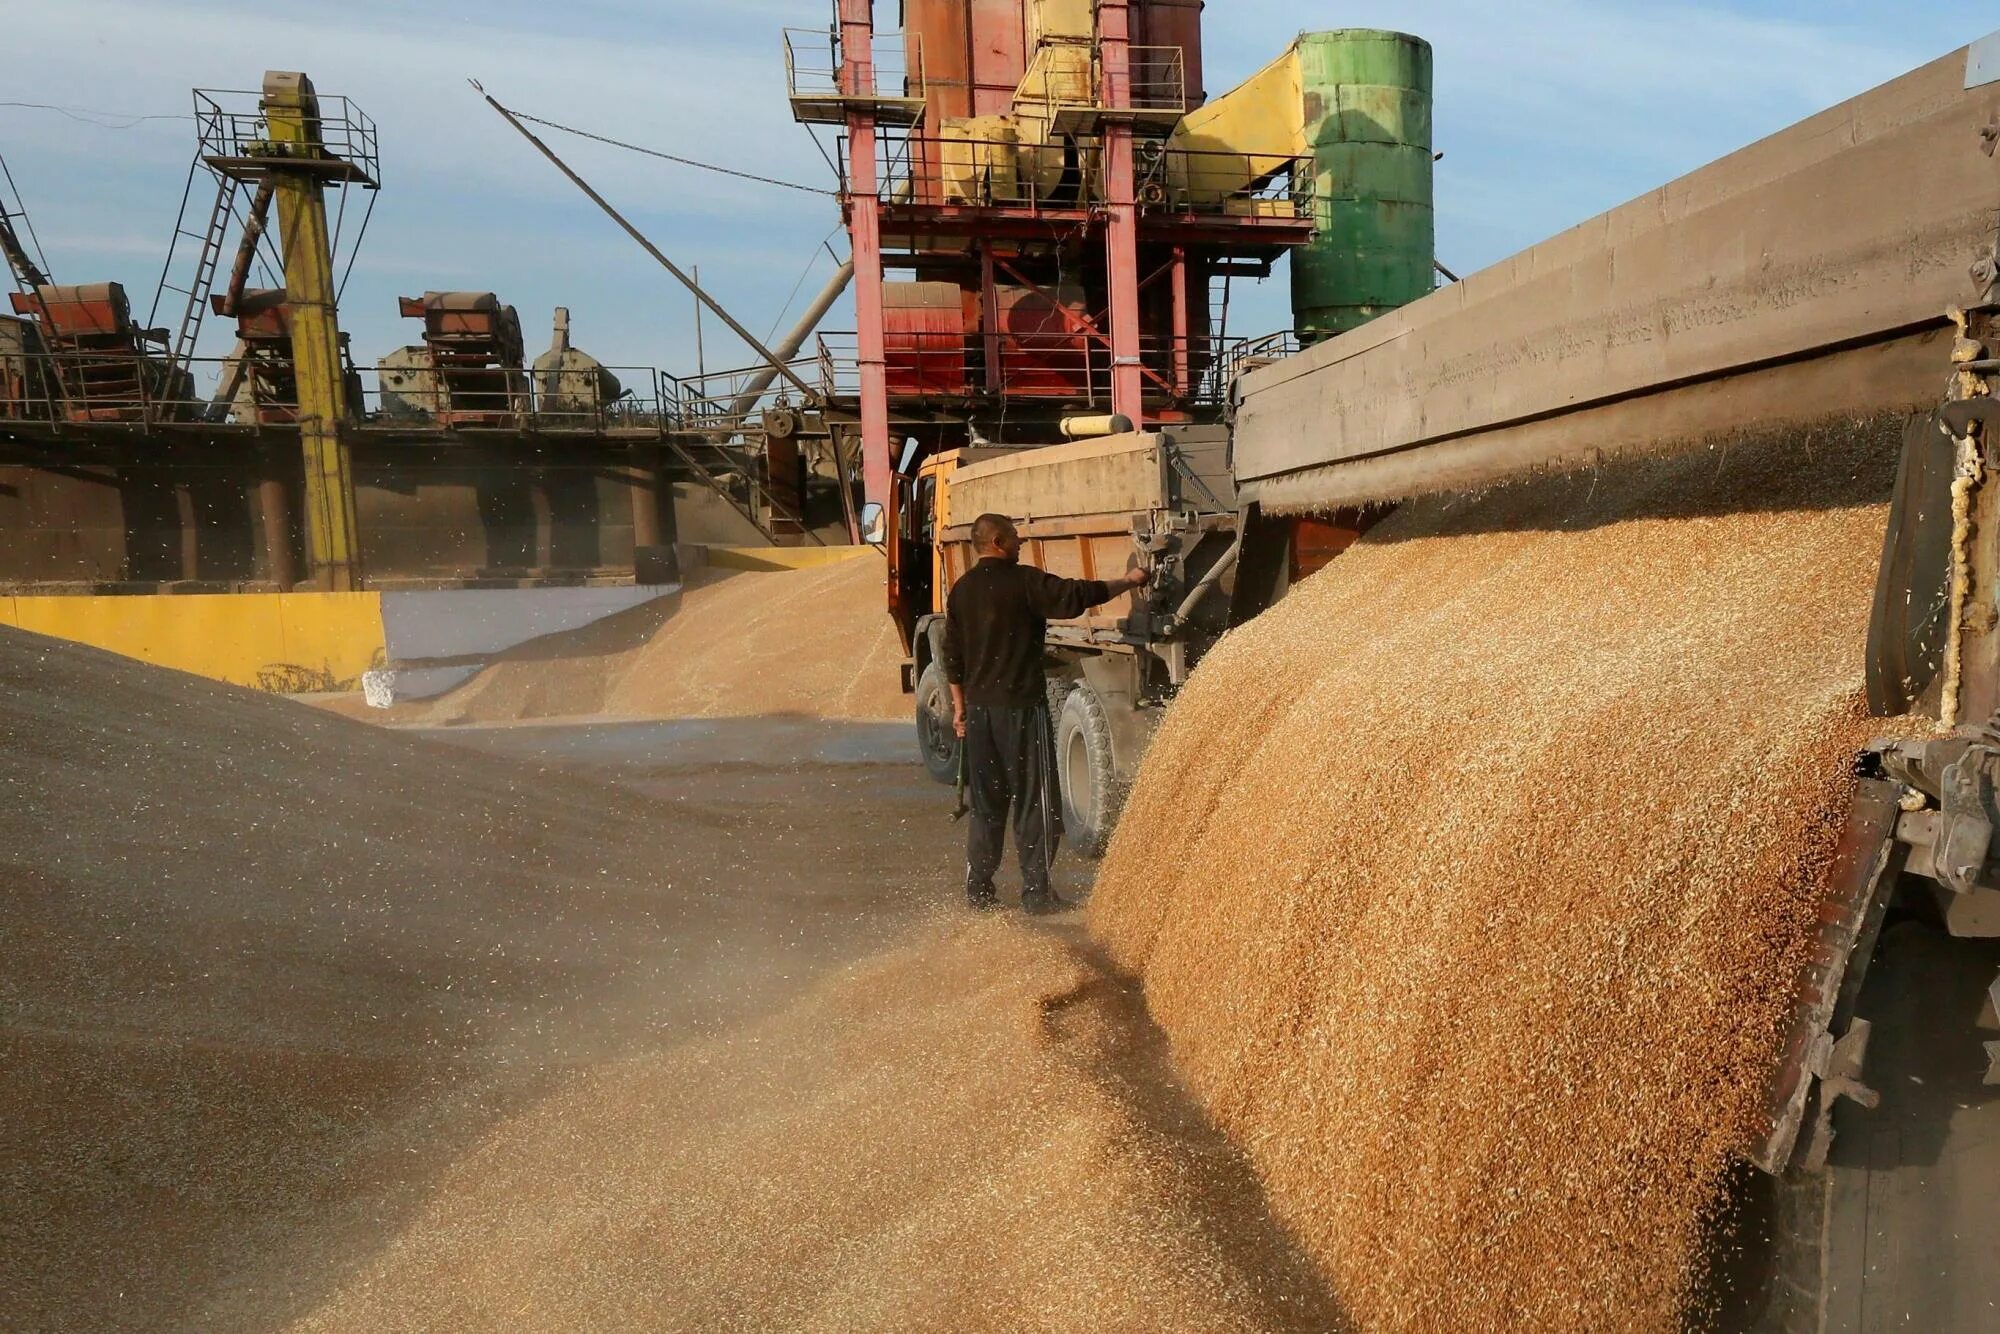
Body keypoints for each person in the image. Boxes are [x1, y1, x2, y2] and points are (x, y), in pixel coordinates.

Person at [939, 512, 1149, 914]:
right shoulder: (1024, 582)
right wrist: (1129, 582)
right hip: (1020, 711)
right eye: (1015, 537)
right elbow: (1075, 596)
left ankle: (979, 891)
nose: (1020, 543)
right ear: (998, 541)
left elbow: (953, 655)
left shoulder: (962, 590)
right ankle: (1036, 893)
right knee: (1035, 800)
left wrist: (960, 710)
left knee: (987, 803)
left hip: (981, 714)